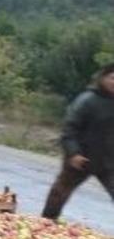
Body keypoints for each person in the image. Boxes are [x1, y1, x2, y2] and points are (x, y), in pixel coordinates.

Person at [42, 63, 114, 220]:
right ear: (102, 78)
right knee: (60, 192)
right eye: (112, 78)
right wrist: (73, 153)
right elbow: (69, 129)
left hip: (108, 162)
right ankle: (46, 222)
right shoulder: (87, 100)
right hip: (82, 158)